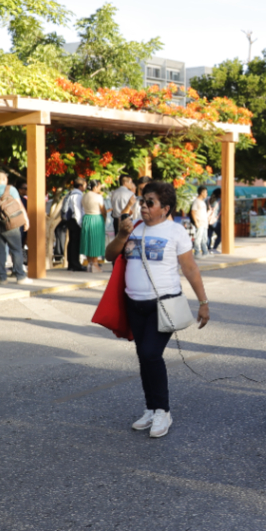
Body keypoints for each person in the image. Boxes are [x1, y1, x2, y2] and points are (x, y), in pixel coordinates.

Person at [105, 180, 211, 439]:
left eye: (149, 203)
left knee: (151, 354)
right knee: (144, 356)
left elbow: (190, 269)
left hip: (162, 305)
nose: (143, 206)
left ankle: (163, 410)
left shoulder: (175, 232)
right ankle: (151, 408)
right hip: (134, 304)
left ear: (165, 208)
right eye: (143, 201)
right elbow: (110, 255)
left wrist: (203, 302)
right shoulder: (133, 228)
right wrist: (121, 235)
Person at [0, 171, 28, 285]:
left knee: (0, 251)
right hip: (10, 224)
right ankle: (20, 277)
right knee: (16, 250)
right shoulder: (11, 189)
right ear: (4, 179)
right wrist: (26, 220)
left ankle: (3, 278)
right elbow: (20, 206)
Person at [81, 179, 107, 273]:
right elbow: (103, 210)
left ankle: (89, 263)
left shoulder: (84, 196)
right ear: (95, 187)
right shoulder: (98, 197)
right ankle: (95, 264)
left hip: (87, 218)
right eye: (99, 186)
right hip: (96, 218)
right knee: (95, 241)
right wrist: (104, 218)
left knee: (88, 241)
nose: (100, 188)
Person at [61, 178, 87, 271]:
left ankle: (71, 264)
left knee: (71, 242)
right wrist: (80, 223)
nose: (85, 187)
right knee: (75, 243)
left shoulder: (70, 193)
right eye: (84, 184)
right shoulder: (78, 196)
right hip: (75, 221)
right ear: (81, 186)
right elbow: (77, 211)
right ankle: (76, 265)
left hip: (70, 220)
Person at [189, 186, 211, 257]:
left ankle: (205, 252)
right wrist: (196, 222)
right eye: (206, 192)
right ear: (202, 193)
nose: (206, 194)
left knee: (204, 239)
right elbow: (193, 212)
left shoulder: (203, 202)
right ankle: (197, 252)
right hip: (199, 223)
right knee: (198, 238)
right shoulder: (196, 201)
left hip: (204, 223)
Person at [207, 188, 222, 252]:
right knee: (221, 235)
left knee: (209, 235)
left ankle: (208, 249)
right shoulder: (220, 201)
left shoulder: (208, 200)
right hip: (216, 221)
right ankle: (214, 248)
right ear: (219, 194)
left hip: (208, 220)